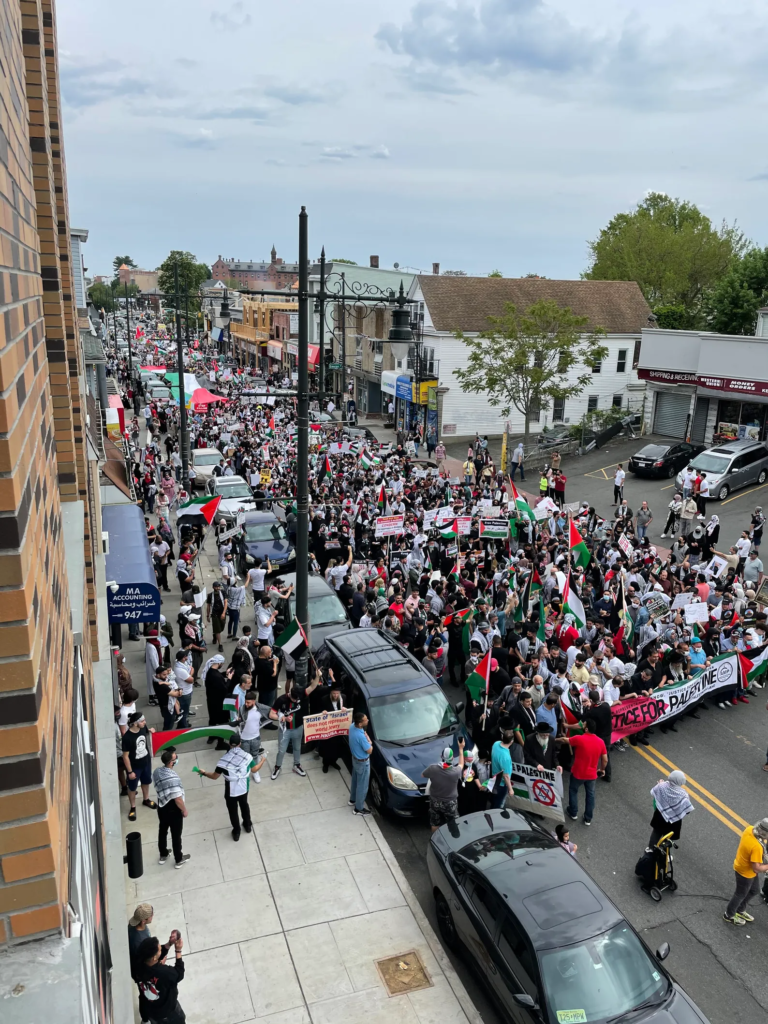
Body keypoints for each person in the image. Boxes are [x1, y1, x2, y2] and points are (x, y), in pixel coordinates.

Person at [196, 732, 265, 841]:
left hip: (230, 791)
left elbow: (214, 776)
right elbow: (254, 769)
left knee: (233, 811)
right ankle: (247, 825)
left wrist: (204, 773)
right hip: (244, 788)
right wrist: (262, 761)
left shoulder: (223, 761)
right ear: (240, 743)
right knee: (244, 805)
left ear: (229, 743)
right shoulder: (247, 757)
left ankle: (236, 831)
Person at [269, 672, 321, 780]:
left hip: (298, 728)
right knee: (282, 750)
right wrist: (281, 718)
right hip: (285, 730)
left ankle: (297, 765)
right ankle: (277, 767)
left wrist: (318, 676)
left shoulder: (301, 694)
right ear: (290, 695)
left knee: (297, 748)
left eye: (298, 699)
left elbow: (313, 686)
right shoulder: (281, 700)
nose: (297, 701)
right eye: (295, 699)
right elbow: (271, 714)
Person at [132, 934, 186, 1024]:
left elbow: (152, 966)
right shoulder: (164, 973)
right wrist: (178, 951)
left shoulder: (136, 967)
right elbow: (179, 974)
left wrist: (169, 944)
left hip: (151, 1011)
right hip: (168, 1014)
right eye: (160, 949)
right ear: (154, 958)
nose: (161, 949)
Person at [723, 818, 768, 925]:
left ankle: (740, 909)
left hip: (741, 865)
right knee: (740, 894)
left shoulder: (750, 829)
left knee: (754, 890)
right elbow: (756, 868)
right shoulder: (756, 847)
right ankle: (729, 915)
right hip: (745, 873)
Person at [563, 719, 608, 825]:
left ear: (586, 729)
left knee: (573, 790)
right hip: (592, 775)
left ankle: (573, 812)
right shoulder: (600, 742)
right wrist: (601, 769)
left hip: (578, 773)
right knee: (590, 795)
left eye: (584, 724)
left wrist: (557, 739)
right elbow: (605, 759)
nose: (582, 725)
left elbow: (566, 740)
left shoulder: (580, 739)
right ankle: (588, 818)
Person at [152, 747, 190, 869]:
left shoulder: (157, 771)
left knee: (162, 830)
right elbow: (177, 799)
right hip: (174, 809)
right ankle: (178, 859)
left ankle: (163, 854)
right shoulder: (173, 778)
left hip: (162, 806)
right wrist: (184, 810)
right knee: (176, 835)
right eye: (175, 758)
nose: (177, 758)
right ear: (171, 762)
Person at [423, 739, 465, 831]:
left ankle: (435, 840)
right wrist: (460, 748)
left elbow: (423, 775)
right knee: (453, 822)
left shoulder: (432, 768)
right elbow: (461, 764)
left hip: (435, 800)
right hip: (450, 802)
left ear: (441, 756)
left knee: (434, 822)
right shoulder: (455, 772)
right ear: (452, 758)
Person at [122, 712, 157, 822]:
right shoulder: (127, 738)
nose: (144, 722)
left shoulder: (143, 728)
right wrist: (130, 771)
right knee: (132, 788)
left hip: (146, 762)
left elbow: (145, 731)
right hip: (134, 767)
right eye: (142, 721)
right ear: (135, 724)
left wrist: (150, 730)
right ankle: (133, 807)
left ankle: (146, 799)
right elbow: (125, 756)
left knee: (146, 782)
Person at [649, 771, 694, 847]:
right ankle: (665, 855)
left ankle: (650, 849)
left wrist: (660, 784)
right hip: (674, 822)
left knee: (656, 832)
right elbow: (687, 810)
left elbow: (654, 792)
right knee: (668, 839)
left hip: (659, 816)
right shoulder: (683, 795)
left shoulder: (662, 786)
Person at [348, 710, 373, 816]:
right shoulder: (361, 737)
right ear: (360, 723)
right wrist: (370, 743)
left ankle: (352, 800)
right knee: (362, 786)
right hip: (363, 762)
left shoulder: (352, 727)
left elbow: (363, 732)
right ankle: (358, 809)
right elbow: (370, 750)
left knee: (355, 781)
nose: (367, 720)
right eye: (365, 720)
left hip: (355, 759)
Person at [490, 730, 515, 809]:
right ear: (512, 741)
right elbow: (506, 776)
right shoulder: (506, 758)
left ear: (502, 737)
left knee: (494, 799)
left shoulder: (496, 744)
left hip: (494, 777)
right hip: (501, 783)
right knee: (499, 803)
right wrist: (510, 789)